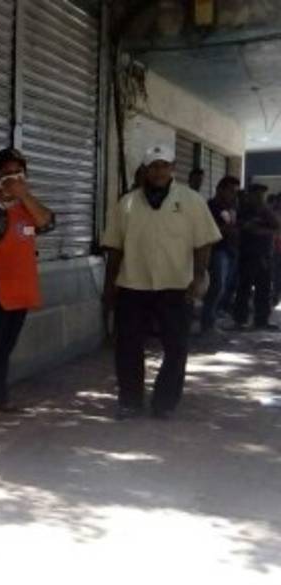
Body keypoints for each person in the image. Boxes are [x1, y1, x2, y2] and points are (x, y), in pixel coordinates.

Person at [102, 144, 221, 420]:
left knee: (176, 347)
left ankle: (164, 403)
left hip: (176, 285)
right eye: (153, 166)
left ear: (173, 168)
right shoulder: (127, 203)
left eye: (164, 166)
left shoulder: (192, 201)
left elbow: (203, 243)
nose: (159, 172)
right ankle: (130, 401)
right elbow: (115, 247)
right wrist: (110, 285)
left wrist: (199, 276)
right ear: (145, 170)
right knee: (128, 345)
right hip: (133, 284)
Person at [0, 148, 55, 420]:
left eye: (19, 173)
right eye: (7, 173)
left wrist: (24, 196)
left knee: (5, 346)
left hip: (20, 287)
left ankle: (1, 396)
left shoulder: (26, 206)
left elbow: (47, 223)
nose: (13, 178)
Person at [231, 183, 281, 330]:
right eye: (257, 194)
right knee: (244, 288)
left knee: (264, 289)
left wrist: (261, 226)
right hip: (248, 254)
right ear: (250, 195)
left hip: (265, 254)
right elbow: (243, 227)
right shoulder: (244, 210)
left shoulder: (266, 210)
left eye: (262, 194)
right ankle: (240, 320)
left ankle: (261, 320)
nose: (260, 197)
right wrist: (261, 228)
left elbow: (277, 226)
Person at [201, 175, 240, 334]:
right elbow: (208, 229)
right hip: (217, 250)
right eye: (231, 191)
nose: (233, 195)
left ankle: (212, 320)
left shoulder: (231, 207)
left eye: (235, 192)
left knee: (223, 287)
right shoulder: (211, 206)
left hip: (229, 250)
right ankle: (207, 323)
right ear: (220, 189)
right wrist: (226, 229)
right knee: (216, 287)